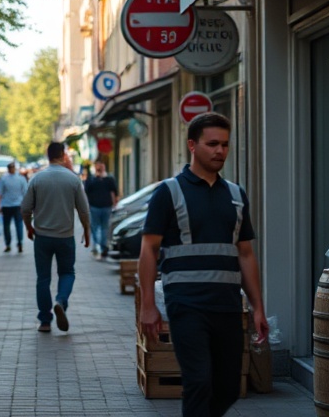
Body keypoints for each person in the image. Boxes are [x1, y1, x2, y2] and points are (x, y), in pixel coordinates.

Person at [138, 112, 269, 417]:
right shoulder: (168, 192)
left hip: (227, 305)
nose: (220, 151)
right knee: (198, 381)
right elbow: (149, 248)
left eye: (224, 145)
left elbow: (246, 254)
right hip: (186, 305)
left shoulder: (236, 196)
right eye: (212, 144)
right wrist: (148, 304)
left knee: (226, 387)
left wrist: (257, 307)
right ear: (192, 145)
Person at [21, 141, 91, 333]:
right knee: (67, 273)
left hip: (42, 237)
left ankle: (45, 321)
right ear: (63, 155)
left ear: (47, 155)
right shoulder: (73, 179)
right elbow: (84, 210)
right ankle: (60, 300)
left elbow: (25, 208)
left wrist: (29, 226)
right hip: (65, 237)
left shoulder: (37, 179)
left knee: (43, 278)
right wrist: (86, 231)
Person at [84, 160, 119, 259]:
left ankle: (103, 246)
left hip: (106, 207)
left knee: (104, 228)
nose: (99, 168)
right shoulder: (91, 179)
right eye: (98, 166)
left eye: (101, 166)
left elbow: (114, 192)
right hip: (94, 207)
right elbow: (86, 192)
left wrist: (114, 204)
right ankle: (96, 246)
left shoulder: (109, 179)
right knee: (95, 228)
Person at [0, 160, 28, 253]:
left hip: (7, 205)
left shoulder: (4, 179)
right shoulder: (21, 178)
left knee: (7, 226)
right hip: (16, 205)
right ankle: (19, 243)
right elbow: (25, 193)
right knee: (18, 225)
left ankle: (9, 244)